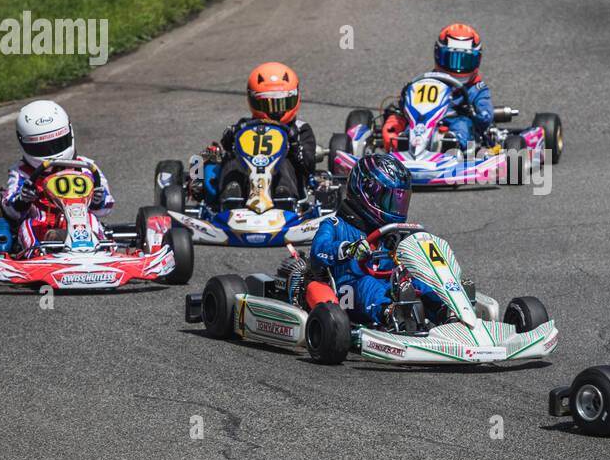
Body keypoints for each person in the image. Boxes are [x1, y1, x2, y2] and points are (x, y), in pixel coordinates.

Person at [194, 62, 317, 209]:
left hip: (288, 192)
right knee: (232, 160)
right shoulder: (245, 126)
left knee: (283, 163)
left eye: (280, 104)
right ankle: (232, 193)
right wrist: (229, 135)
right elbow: (227, 146)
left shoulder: (300, 129)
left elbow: (308, 166)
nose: (275, 111)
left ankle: (283, 194)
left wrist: (295, 145)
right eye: (267, 104)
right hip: (247, 186)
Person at [311, 154, 416, 327]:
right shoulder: (335, 225)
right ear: (367, 193)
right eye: (389, 199)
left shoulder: (393, 232)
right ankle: (392, 315)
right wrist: (348, 249)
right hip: (348, 292)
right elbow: (318, 249)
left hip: (389, 288)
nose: (396, 208)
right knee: (369, 285)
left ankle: (446, 310)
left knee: (418, 281)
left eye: (399, 200)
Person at [2, 100, 113, 249]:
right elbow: (10, 209)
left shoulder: (85, 167)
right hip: (41, 227)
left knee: (92, 219)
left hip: (81, 224)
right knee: (28, 226)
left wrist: (98, 200)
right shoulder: (22, 173)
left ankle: (101, 252)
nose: (52, 153)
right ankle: (36, 258)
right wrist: (23, 198)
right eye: (42, 148)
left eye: (58, 144)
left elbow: (105, 208)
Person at [430, 23, 493, 146]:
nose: (457, 68)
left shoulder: (477, 89)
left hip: (461, 125)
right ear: (438, 56)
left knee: (461, 125)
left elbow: (486, 115)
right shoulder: (428, 84)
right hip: (429, 123)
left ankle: (452, 144)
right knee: (414, 127)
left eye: (464, 61)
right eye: (451, 59)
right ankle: (404, 144)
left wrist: (473, 110)